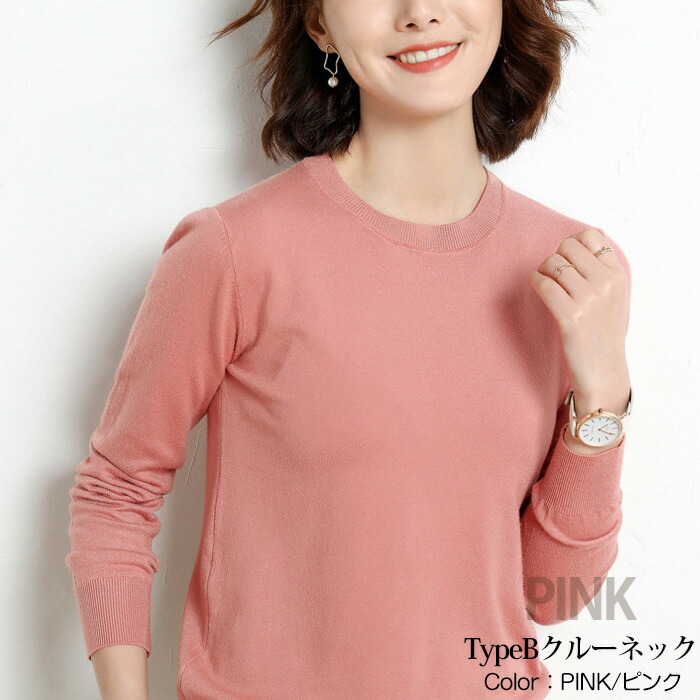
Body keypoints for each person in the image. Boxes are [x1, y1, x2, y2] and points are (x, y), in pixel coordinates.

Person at [65, 0, 633, 698]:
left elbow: (554, 595)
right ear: (320, 24)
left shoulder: (574, 270)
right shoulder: (236, 251)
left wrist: (603, 395)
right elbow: (117, 491)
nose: (421, 13)